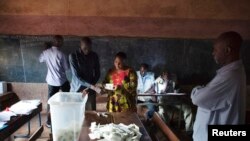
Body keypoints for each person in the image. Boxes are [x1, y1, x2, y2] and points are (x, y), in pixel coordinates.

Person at [191, 31, 246, 141]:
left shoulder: (230, 76)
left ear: (227, 50)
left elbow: (197, 99)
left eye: (215, 49)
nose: (213, 53)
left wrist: (197, 89)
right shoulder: (232, 72)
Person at [39, 35, 70, 128]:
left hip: (51, 81)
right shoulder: (61, 54)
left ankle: (49, 121)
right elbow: (67, 68)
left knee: (51, 102)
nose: (63, 43)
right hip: (62, 80)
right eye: (62, 41)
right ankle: (66, 118)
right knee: (67, 99)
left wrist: (45, 50)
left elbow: (40, 60)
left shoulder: (46, 52)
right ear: (59, 42)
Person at [69, 37, 101, 111]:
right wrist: (91, 86)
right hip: (76, 89)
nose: (87, 50)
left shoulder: (94, 56)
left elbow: (97, 73)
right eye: (85, 48)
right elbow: (77, 76)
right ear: (80, 45)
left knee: (91, 113)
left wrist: (89, 87)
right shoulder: (73, 56)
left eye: (89, 48)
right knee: (76, 112)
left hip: (90, 89)